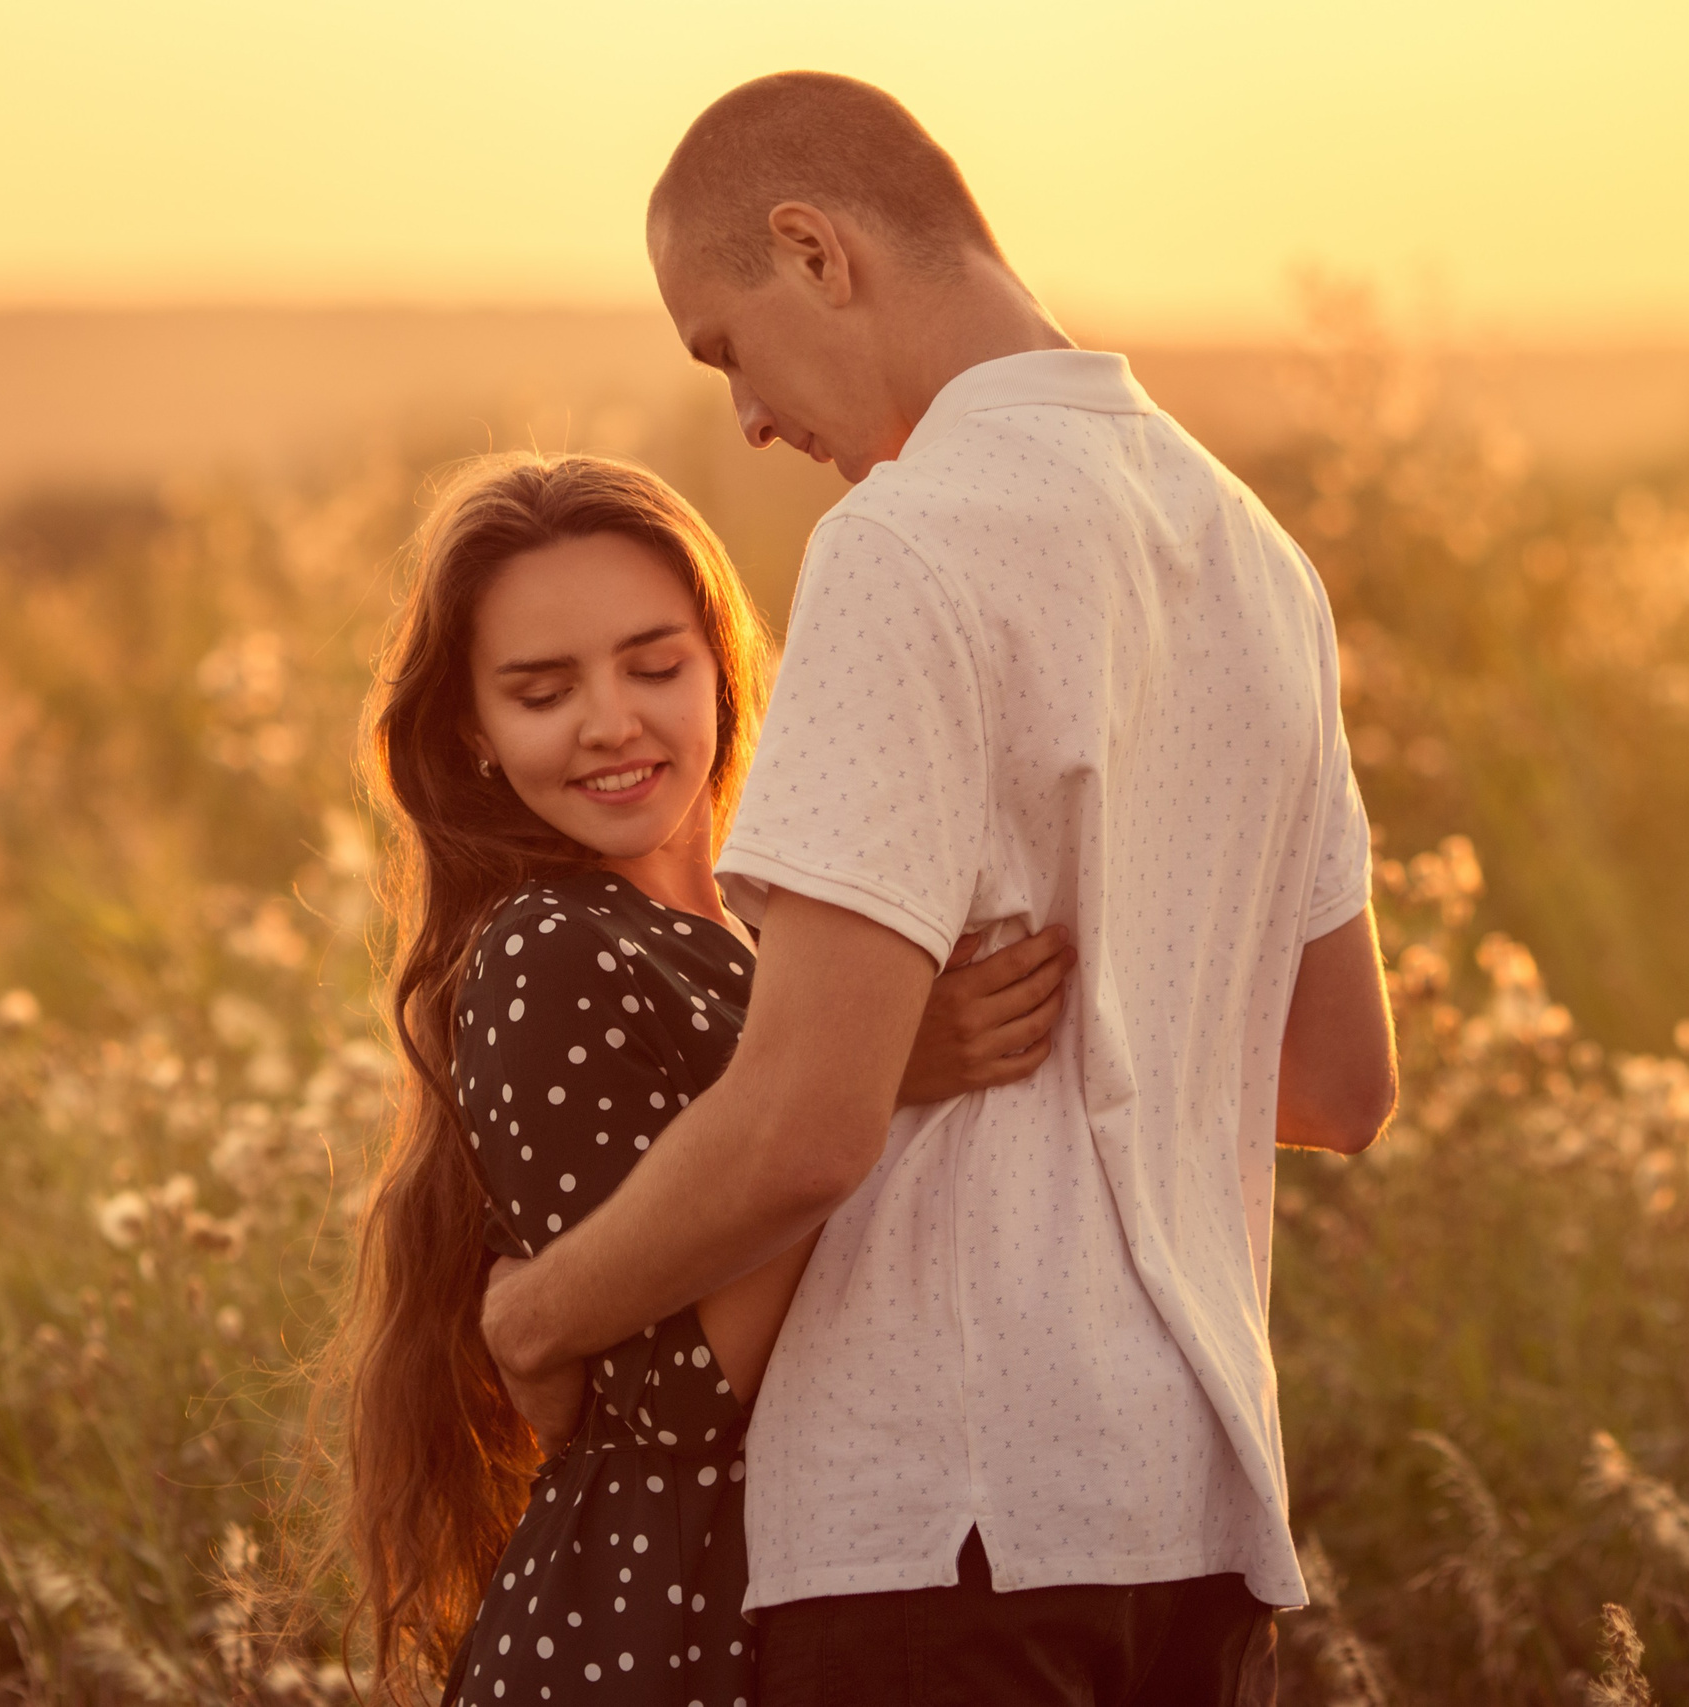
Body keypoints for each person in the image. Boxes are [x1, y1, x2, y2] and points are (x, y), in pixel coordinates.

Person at [480, 73, 1400, 1706]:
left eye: (724, 350)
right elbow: (1340, 1083)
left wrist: (537, 1316)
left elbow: (806, 1126)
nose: (749, 421)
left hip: (942, 1532)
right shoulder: (1259, 555)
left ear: (811, 249)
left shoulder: (904, 545)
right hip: (1194, 1511)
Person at [338, 451, 1075, 1705]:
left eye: (653, 665)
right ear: (471, 728)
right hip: (650, 1631)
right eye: (541, 690)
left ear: (722, 668)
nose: (611, 721)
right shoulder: (550, 949)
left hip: (814, 1593)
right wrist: (871, 1074)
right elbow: (677, 1392)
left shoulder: (759, 946)